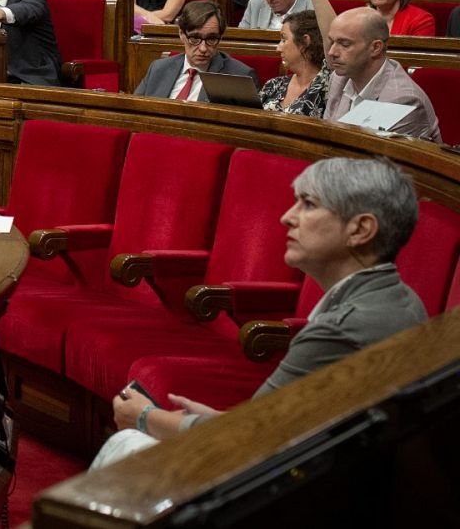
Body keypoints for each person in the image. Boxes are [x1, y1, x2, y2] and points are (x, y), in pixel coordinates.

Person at [100, 157, 425, 468]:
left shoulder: (339, 330)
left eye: (308, 204)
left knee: (126, 445)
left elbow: (248, 440)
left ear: (361, 229)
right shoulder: (401, 298)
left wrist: (143, 418)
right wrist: (216, 420)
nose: (287, 217)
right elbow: (281, 424)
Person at [299, 0, 442, 141]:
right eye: (333, 42)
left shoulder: (403, 100)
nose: (333, 52)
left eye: (344, 44)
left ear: (375, 48)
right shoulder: (340, 78)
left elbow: (376, 165)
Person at [132, 0, 255, 102]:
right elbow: (135, 112)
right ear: (181, 34)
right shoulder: (159, 68)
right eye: (195, 38)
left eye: (211, 39)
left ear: (220, 37)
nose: (203, 48)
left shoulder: (239, 77)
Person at [258, 10, 327, 116]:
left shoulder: (327, 89)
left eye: (284, 39)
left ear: (304, 42)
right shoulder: (273, 85)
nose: (278, 48)